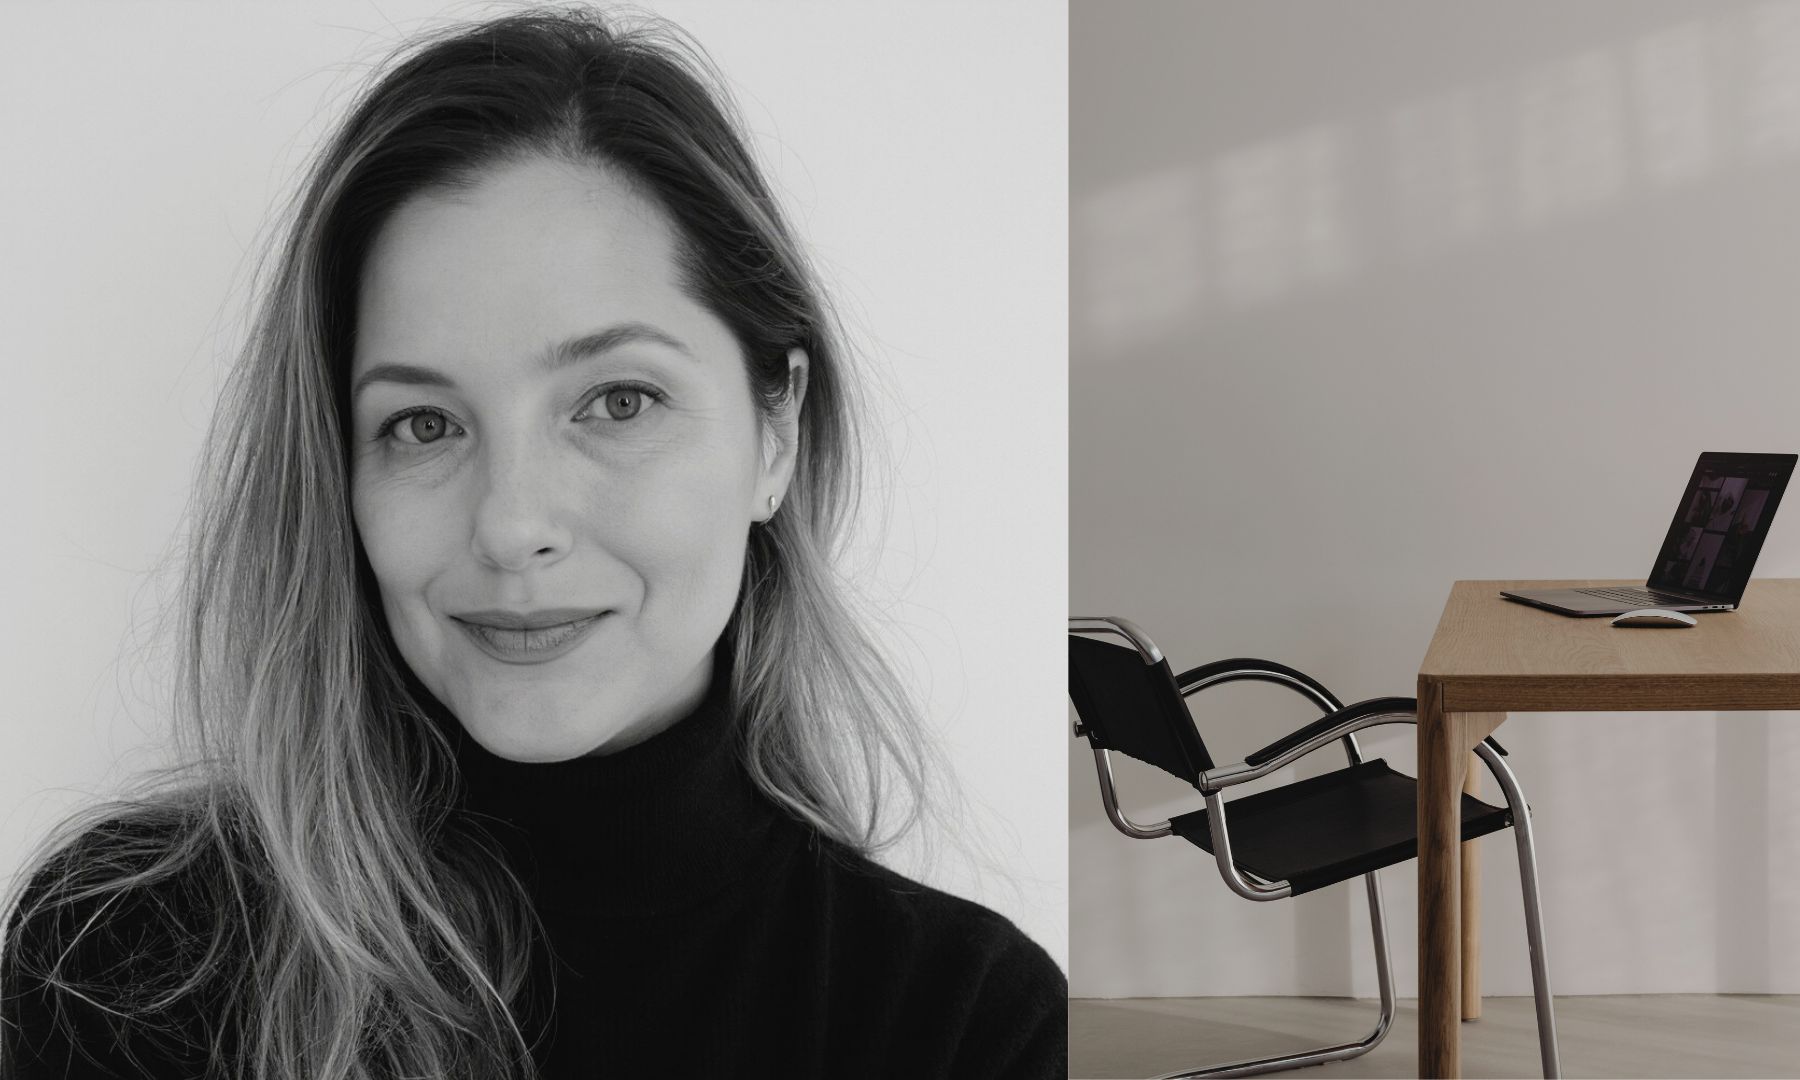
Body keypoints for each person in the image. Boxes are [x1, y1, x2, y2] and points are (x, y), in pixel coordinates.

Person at [0, 9, 1065, 1079]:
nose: (511, 526)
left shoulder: (962, 1021)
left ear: (775, 432)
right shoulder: (128, 957)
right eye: (424, 424)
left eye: (616, 401)